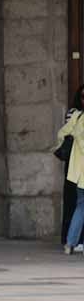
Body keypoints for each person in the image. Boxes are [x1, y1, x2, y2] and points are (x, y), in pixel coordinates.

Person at [58, 99, 84, 254]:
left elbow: (61, 133)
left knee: (80, 207)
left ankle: (70, 243)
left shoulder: (77, 117)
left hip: (79, 174)